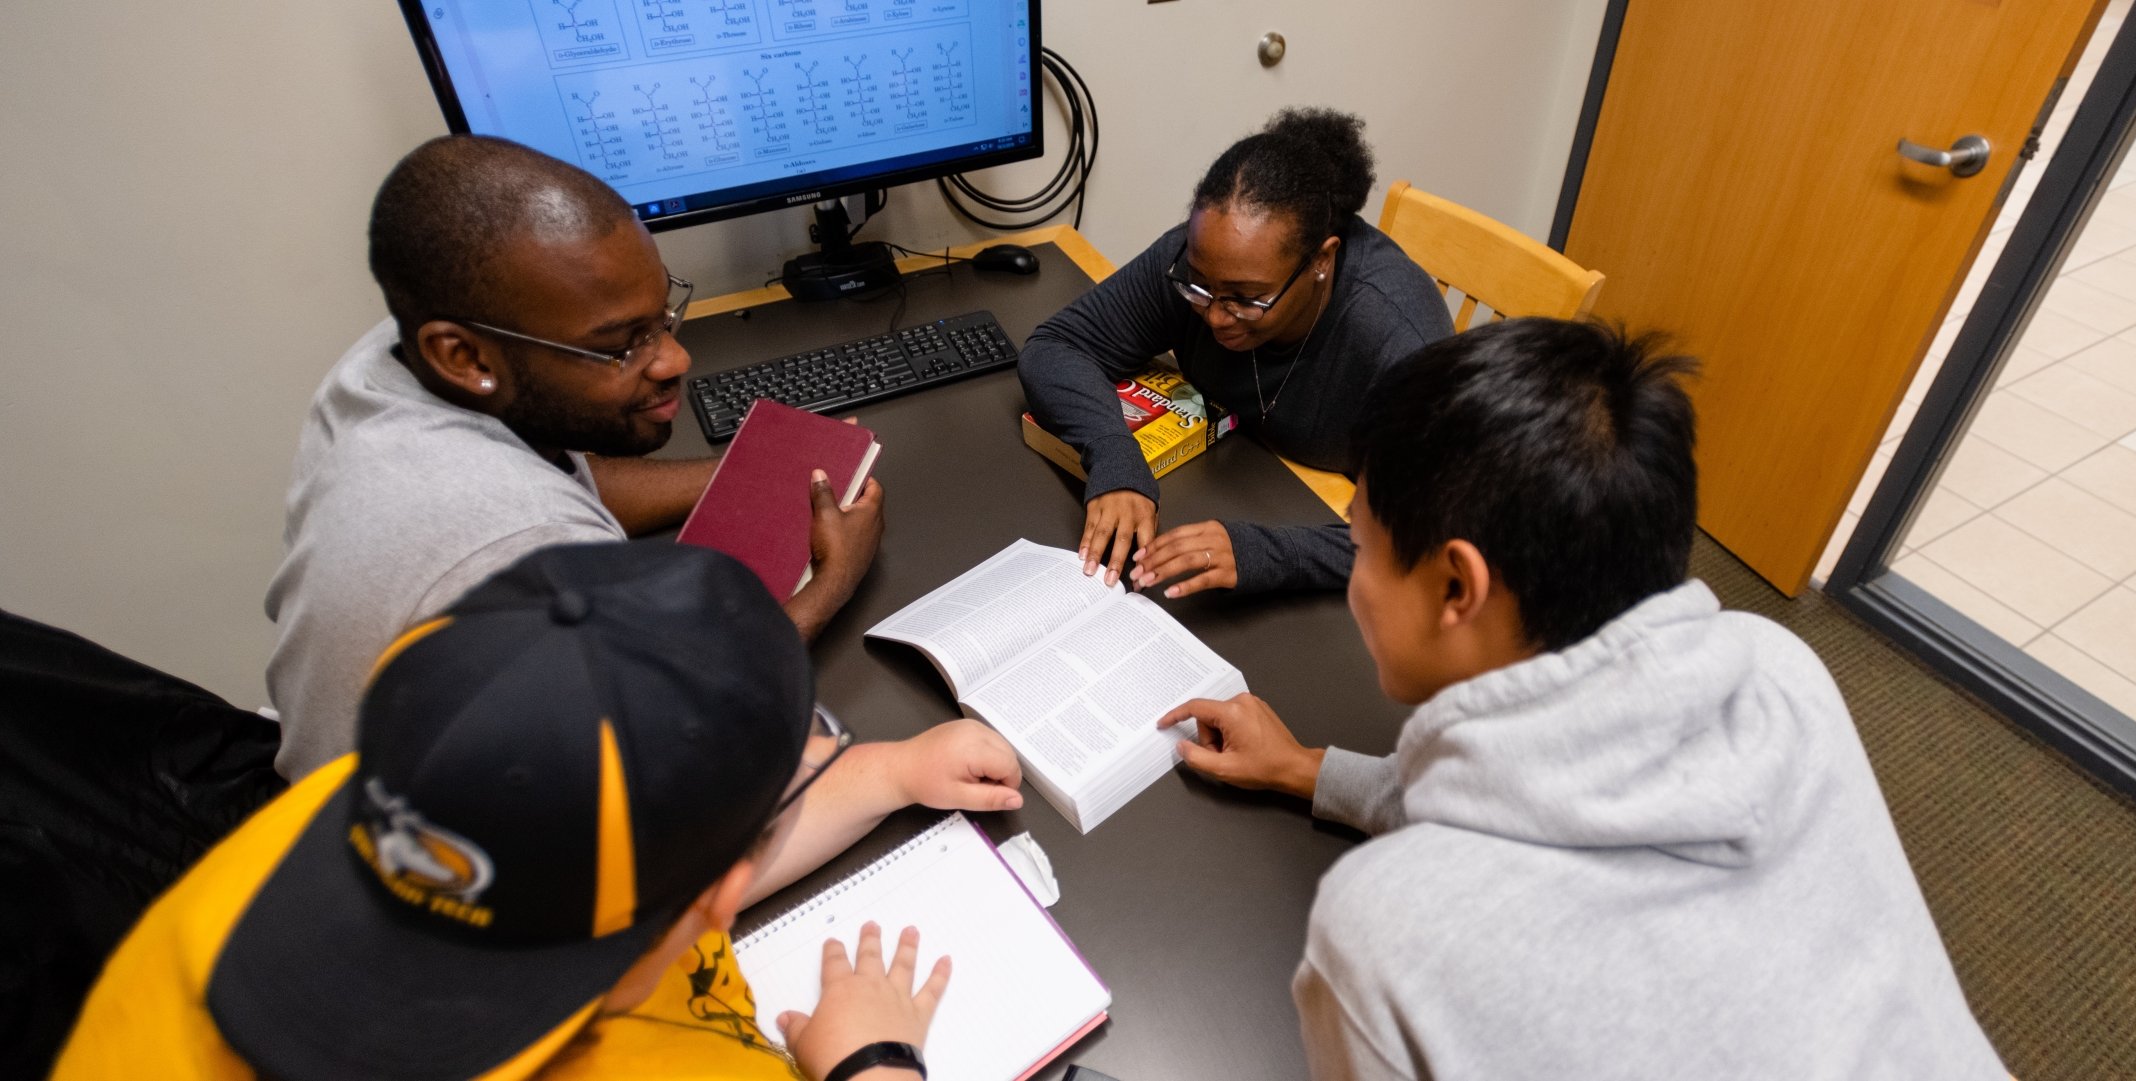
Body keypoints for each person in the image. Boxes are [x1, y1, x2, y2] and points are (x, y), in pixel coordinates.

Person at [1158, 318, 2009, 1079]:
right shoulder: (1781, 670)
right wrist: (1308, 768)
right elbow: (1553, 796)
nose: (1356, 580)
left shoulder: (1385, 930)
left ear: (1457, 586)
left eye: (1364, 544)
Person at [264, 135, 1019, 906]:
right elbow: (694, 745)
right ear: (463, 353)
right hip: (421, 899)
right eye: (623, 345)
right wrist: (831, 583)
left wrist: (771, 474)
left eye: (662, 316)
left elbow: (567, 476)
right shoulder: (518, 544)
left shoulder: (392, 367)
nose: (673, 360)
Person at [57, 542, 953, 1080]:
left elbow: (587, 851)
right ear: (716, 898)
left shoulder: (347, 811)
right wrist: (875, 1063)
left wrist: (885, 775)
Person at [1018, 107, 1450, 597]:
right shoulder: (1202, 262)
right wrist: (1116, 457)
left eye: (1247, 299)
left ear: (1321, 261)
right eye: (1200, 287)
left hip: (1331, 534)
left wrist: (1261, 555)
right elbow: (1056, 346)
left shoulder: (1399, 339)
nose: (1217, 316)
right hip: (1236, 480)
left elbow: (1429, 535)